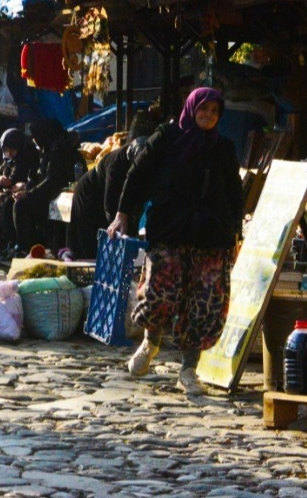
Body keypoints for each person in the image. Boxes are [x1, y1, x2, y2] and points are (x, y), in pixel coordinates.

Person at [112, 87, 244, 395]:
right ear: (191, 108)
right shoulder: (167, 138)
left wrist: (235, 234)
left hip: (211, 236)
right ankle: (151, 341)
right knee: (160, 291)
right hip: (170, 230)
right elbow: (138, 175)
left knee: (203, 302)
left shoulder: (223, 148)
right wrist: (123, 214)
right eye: (203, 110)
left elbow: (234, 193)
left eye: (214, 112)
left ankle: (188, 370)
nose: (208, 116)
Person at [66, 110, 158, 260]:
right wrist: (123, 232)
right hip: (90, 194)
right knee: (91, 246)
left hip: (106, 197)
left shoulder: (146, 162)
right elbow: (110, 206)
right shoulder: (117, 165)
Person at [11, 119, 81, 256]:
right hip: (47, 194)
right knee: (12, 202)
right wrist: (26, 188)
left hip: (53, 196)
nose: (34, 140)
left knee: (20, 206)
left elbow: (52, 181)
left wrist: (29, 194)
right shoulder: (50, 148)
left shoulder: (59, 151)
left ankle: (25, 249)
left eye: (35, 137)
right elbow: (40, 176)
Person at [0, 129, 39, 260]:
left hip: (28, 194)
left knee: (10, 202)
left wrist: (23, 186)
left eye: (12, 150)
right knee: (0, 201)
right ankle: (4, 244)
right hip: (11, 193)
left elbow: (35, 179)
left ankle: (17, 246)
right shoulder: (8, 159)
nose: (9, 153)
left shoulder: (29, 156)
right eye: (6, 150)